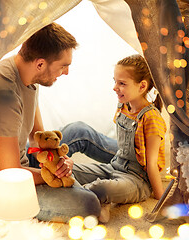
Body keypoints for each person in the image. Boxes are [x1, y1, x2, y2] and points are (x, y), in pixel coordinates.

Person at [0, 22, 101, 222]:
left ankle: (132, 161)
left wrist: (57, 162)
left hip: (24, 159)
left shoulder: (30, 74)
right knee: (88, 204)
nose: (66, 72)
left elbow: (38, 137)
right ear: (40, 64)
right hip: (7, 181)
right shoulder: (6, 92)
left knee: (79, 131)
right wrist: (51, 176)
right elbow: (10, 170)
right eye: (63, 66)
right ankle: (114, 178)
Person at [59, 54, 166, 222]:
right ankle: (97, 201)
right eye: (115, 81)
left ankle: (94, 199)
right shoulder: (123, 106)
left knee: (101, 187)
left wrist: (162, 199)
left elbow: (151, 163)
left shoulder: (151, 118)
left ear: (142, 86)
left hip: (137, 180)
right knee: (69, 169)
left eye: (122, 83)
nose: (115, 87)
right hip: (114, 166)